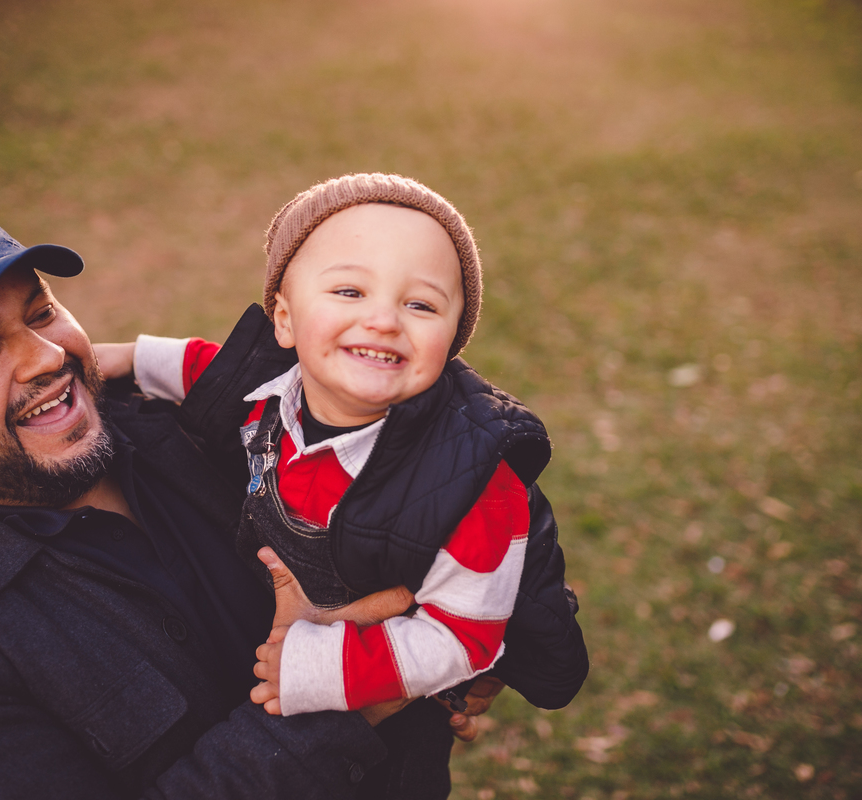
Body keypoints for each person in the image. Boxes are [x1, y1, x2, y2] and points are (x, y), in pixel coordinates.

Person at [0, 206, 485, 799]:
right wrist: (351, 694)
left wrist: (473, 629)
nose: (47, 357)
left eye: (41, 312)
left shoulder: (181, 422)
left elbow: (420, 474)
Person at [96, 174, 589, 787]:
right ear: (285, 320)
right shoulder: (268, 392)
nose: (383, 319)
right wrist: (124, 356)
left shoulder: (475, 484)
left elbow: (466, 641)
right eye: (350, 290)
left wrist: (322, 667)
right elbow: (207, 369)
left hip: (386, 718)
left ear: (453, 340)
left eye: (421, 305)